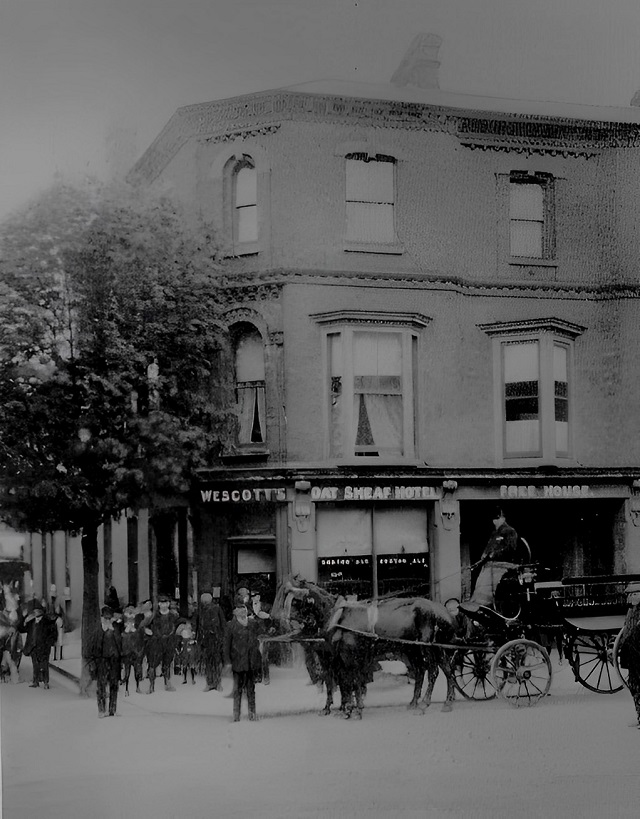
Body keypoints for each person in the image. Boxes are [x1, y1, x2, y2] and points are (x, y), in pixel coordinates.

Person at [462, 507, 521, 611]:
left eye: (497, 519)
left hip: (502, 566)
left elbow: (510, 548)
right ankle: (477, 605)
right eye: (494, 520)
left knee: (489, 588)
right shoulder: (495, 533)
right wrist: (484, 555)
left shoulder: (510, 531)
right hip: (488, 566)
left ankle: (487, 607)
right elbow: (489, 548)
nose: (494, 522)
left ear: (502, 518)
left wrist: (493, 554)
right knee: (480, 586)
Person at [224, 596, 262, 722]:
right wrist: (228, 662)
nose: (242, 611)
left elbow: (261, 634)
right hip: (238, 662)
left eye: (243, 609)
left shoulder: (253, 624)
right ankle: (236, 714)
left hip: (251, 662)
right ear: (235, 612)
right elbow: (226, 645)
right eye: (239, 609)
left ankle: (252, 713)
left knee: (251, 689)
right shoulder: (231, 626)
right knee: (238, 689)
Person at [87, 606, 123, 718]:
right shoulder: (97, 631)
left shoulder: (115, 630)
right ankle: (102, 710)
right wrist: (92, 662)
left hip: (114, 661)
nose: (107, 621)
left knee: (114, 685)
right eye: (105, 618)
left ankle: (113, 709)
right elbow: (91, 648)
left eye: (109, 618)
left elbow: (120, 644)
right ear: (102, 618)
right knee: (101, 685)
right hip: (101, 661)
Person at [144, 594, 180, 693]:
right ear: (159, 604)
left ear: (168, 604)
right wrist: (148, 631)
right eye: (161, 603)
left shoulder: (173, 616)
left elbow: (177, 626)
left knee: (167, 663)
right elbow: (145, 626)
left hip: (169, 642)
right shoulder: (154, 616)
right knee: (153, 664)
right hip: (156, 643)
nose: (164, 605)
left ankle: (167, 683)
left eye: (166, 603)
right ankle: (151, 686)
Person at [617, 581, 640, 728]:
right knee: (634, 687)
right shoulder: (631, 612)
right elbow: (625, 632)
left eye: (632, 594)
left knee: (637, 686)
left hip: (637, 657)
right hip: (632, 656)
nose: (629, 598)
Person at [194, 592, 226, 692]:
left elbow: (223, 623)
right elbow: (196, 624)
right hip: (205, 640)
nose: (205, 603)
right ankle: (210, 683)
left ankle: (218, 683)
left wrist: (224, 637)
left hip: (216, 639)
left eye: (207, 601)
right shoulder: (199, 611)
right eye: (204, 601)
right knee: (208, 662)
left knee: (217, 662)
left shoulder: (217, 609)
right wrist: (196, 637)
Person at [21, 605, 57, 688]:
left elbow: (53, 635)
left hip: (44, 647)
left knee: (44, 665)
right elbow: (22, 629)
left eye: (36, 611)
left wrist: (48, 643)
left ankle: (45, 682)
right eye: (34, 611)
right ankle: (35, 681)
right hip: (33, 646)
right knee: (35, 665)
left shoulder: (48, 622)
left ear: (41, 612)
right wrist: (24, 620)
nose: (35, 613)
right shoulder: (31, 622)